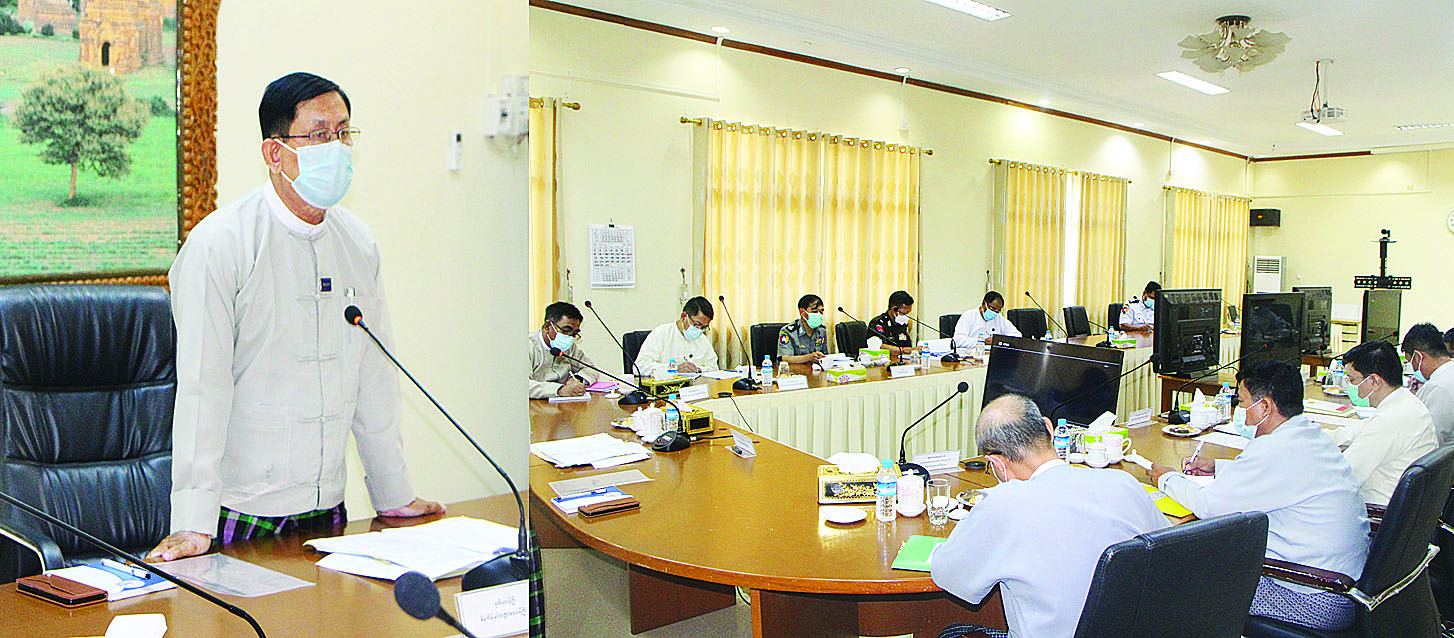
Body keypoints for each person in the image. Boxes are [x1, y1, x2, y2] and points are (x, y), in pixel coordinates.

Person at [149, 73, 441, 562]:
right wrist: (193, 523)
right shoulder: (220, 245)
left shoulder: (357, 243)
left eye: (343, 133)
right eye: (319, 134)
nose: (337, 148)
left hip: (327, 505)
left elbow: (374, 378)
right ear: (274, 153)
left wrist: (393, 494)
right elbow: (203, 389)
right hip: (242, 509)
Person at [1149, 361, 1369, 631]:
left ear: (1265, 406)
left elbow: (1209, 506)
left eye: (1242, 403)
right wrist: (1218, 467)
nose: (1240, 412)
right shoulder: (1307, 435)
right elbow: (1277, 480)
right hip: (1344, 586)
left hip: (1315, 596)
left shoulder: (1277, 449)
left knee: (1182, 580)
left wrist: (1166, 478)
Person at [932, 394, 1166, 638]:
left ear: (997, 463)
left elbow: (951, 576)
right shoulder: (1124, 483)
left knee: (951, 632)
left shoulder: (1002, 503)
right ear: (1049, 428)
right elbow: (1169, 547)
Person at [1324, 340, 1436, 505]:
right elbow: (1356, 430)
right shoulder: (1406, 403)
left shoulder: (1390, 420)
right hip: (1407, 506)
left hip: (1377, 510)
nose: (1350, 386)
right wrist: (1314, 437)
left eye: (1352, 380)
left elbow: (1342, 476)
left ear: (1375, 381)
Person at [529, 302, 600, 399]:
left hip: (564, 404)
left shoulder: (569, 346)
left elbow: (591, 369)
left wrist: (577, 379)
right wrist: (560, 390)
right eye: (566, 330)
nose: (569, 337)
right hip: (535, 405)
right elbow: (521, 385)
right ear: (547, 326)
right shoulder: (526, 346)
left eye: (574, 334)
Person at [635, 296, 720, 377]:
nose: (699, 330)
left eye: (704, 327)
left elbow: (714, 368)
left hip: (696, 386)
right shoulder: (661, 333)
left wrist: (698, 369)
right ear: (684, 316)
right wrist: (674, 369)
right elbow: (640, 367)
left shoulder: (702, 339)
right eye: (697, 324)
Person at [1404, 323, 1454, 445]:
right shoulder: (1448, 375)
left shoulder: (1438, 387)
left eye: (1410, 362)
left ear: (1418, 357)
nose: (1413, 368)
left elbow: (1430, 438)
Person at [952, 291, 1021, 350]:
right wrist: (983, 342)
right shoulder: (969, 315)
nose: (994, 313)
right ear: (983, 304)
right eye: (992, 309)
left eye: (998, 311)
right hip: (971, 356)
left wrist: (999, 340)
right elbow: (957, 341)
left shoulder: (999, 318)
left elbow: (1017, 336)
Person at [777, 294, 829, 364]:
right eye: (814, 312)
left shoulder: (821, 330)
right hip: (796, 370)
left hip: (816, 369)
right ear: (802, 312)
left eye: (821, 312)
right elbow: (784, 358)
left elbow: (825, 355)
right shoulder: (788, 331)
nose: (819, 315)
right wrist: (809, 357)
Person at [867, 290, 915, 357]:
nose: (907, 316)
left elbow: (907, 344)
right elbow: (879, 346)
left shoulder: (902, 323)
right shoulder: (878, 323)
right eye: (905, 312)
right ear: (894, 309)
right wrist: (903, 350)